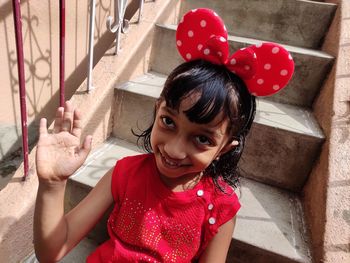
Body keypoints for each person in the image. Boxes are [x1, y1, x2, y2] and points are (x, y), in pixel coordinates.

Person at [34, 8, 294, 263]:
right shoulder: (124, 173)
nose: (174, 149)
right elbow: (51, 252)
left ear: (225, 148)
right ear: (157, 110)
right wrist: (53, 185)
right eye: (169, 121)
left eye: (203, 139)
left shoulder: (220, 209)